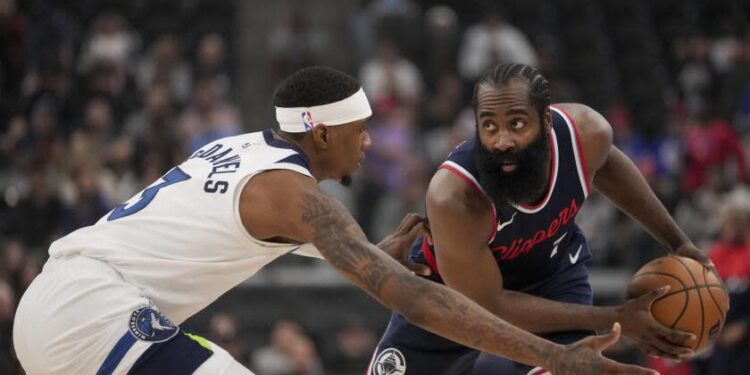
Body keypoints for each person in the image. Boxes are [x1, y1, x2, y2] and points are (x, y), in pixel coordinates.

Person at [12, 66, 655, 375]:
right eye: (360, 129)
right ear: (319, 132)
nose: (369, 143)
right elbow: (419, 301)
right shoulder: (295, 196)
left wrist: (368, 248)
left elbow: (267, 234)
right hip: (91, 309)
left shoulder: (247, 152)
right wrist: (558, 359)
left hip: (69, 303)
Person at [372, 63, 715, 375]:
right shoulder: (455, 197)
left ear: (546, 121)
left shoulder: (586, 132)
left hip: (550, 276)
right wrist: (615, 317)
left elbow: (607, 165)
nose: (502, 140)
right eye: (488, 126)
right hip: (455, 294)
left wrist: (679, 242)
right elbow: (489, 307)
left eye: (517, 123)